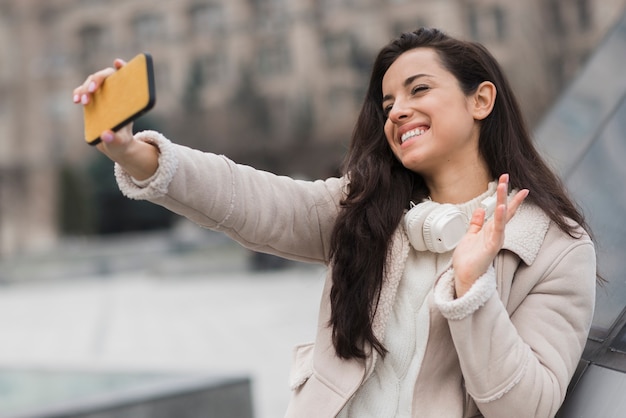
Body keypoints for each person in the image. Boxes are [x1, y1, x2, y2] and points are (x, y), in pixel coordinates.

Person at [72, 28, 596, 417]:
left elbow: (526, 406)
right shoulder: (362, 208)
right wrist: (135, 153)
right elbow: (250, 199)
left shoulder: (556, 248)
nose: (396, 112)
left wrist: (472, 287)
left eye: (419, 90)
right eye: (388, 102)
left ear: (480, 100)